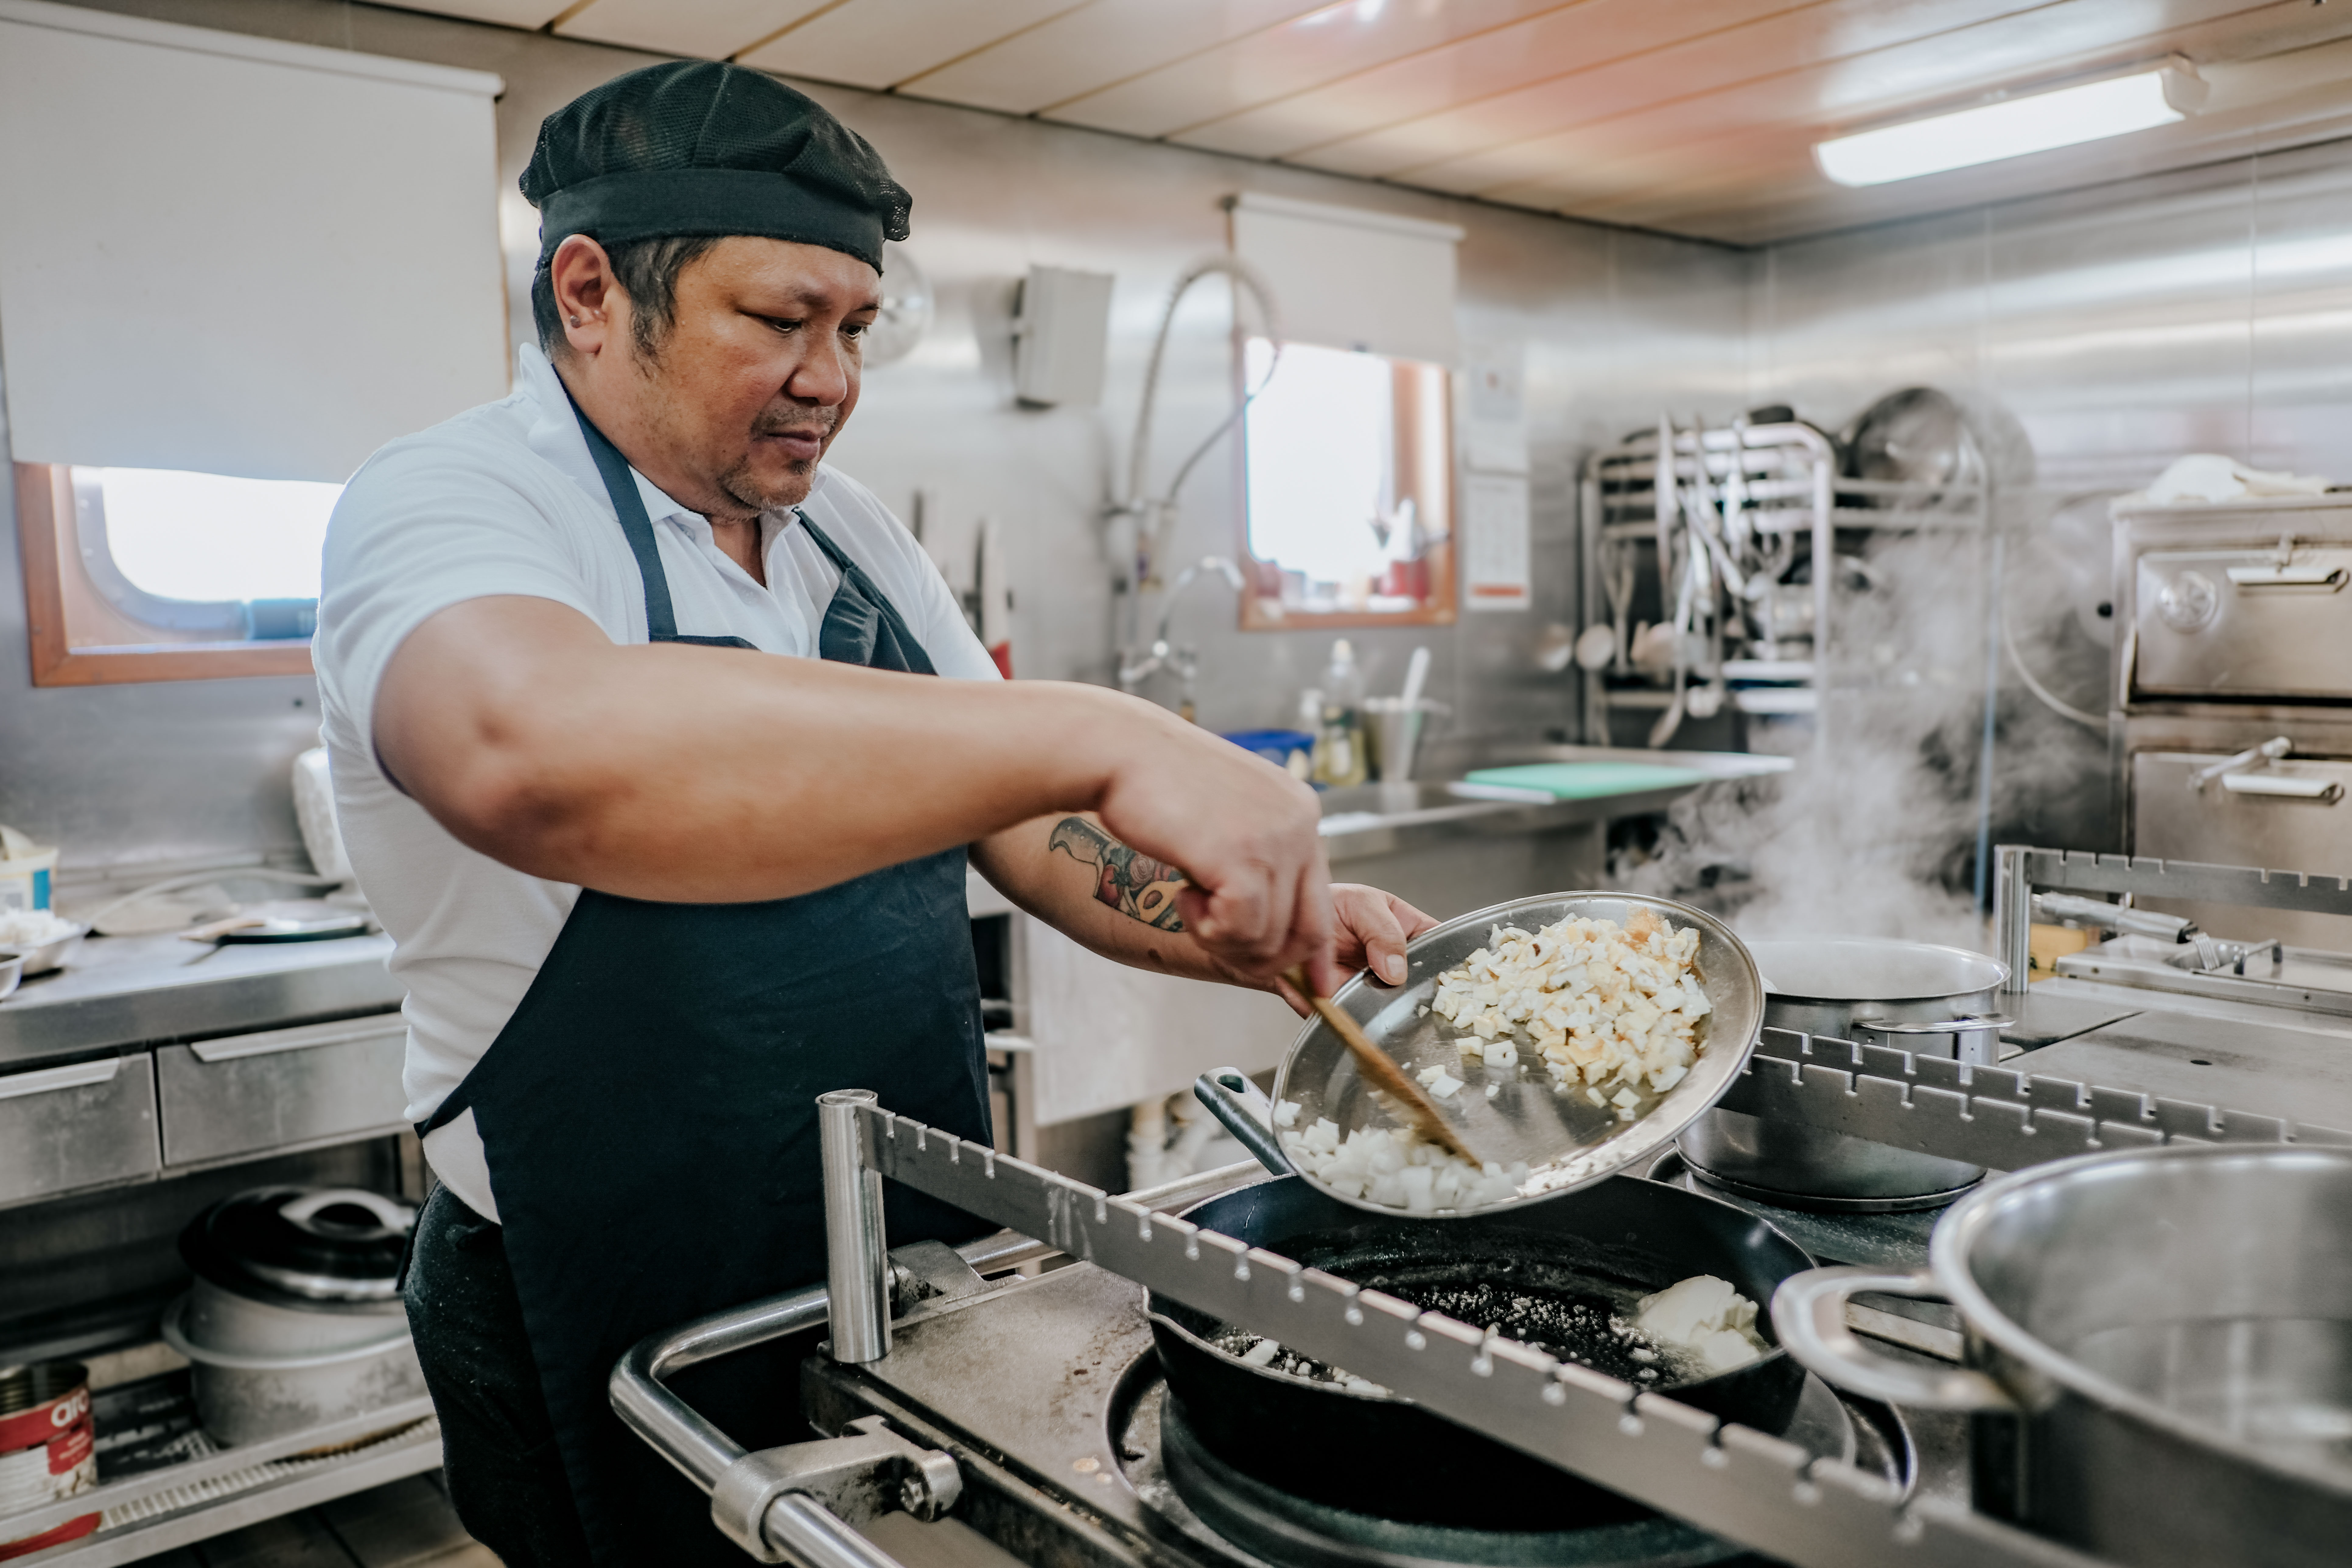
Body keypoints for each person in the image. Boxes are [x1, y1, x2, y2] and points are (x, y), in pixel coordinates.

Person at [314, 60, 1437, 1568]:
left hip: (893, 1260)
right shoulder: (451, 502)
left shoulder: (848, 535)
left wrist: (1237, 921)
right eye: (779, 321)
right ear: (590, 292)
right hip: (596, 1284)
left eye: (855, 329)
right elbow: (529, 754)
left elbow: (1031, 825)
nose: (833, 377)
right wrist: (1106, 732)